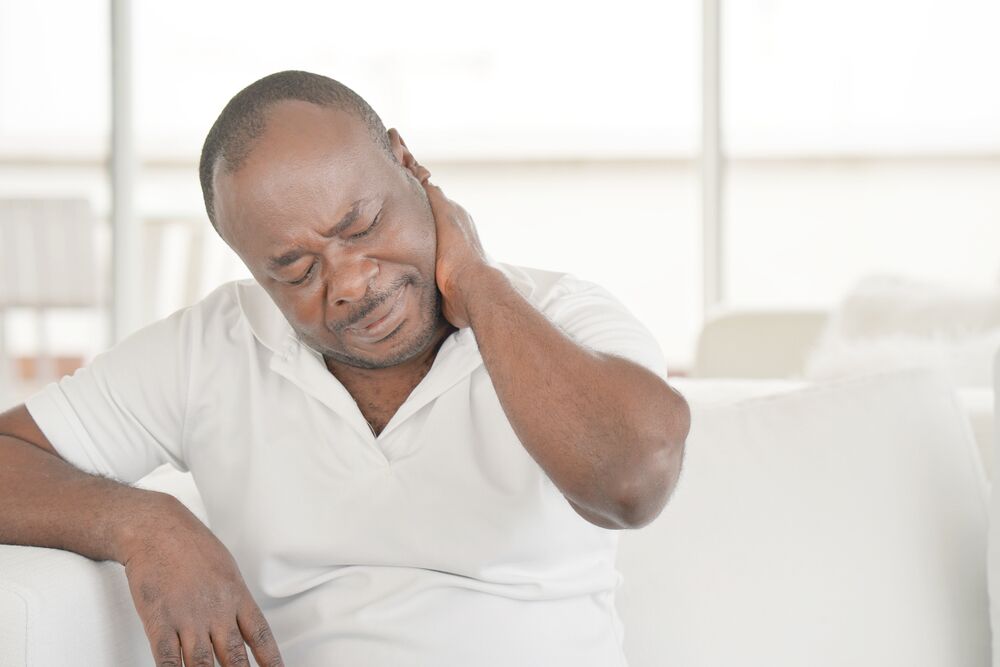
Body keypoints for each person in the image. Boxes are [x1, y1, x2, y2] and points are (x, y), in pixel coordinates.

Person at [0, 70, 689, 666]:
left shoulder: (560, 313)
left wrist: (476, 283)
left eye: (361, 226)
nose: (351, 282)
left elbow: (631, 483)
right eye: (297, 269)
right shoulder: (211, 345)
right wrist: (145, 522)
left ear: (407, 162)